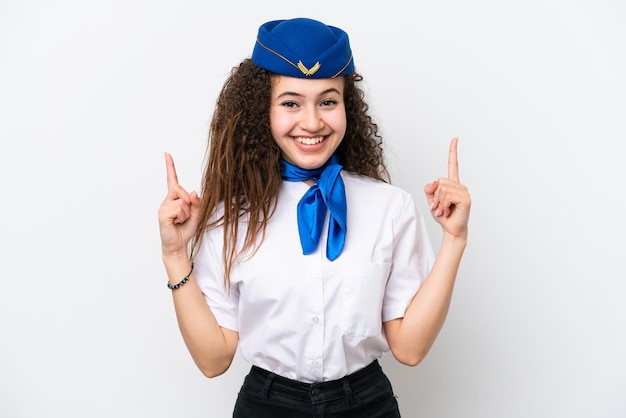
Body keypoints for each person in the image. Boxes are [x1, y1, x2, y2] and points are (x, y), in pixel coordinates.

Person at [158, 17, 471, 417]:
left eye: (328, 101)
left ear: (347, 107)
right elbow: (213, 360)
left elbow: (409, 349)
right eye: (291, 103)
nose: (312, 122)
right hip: (267, 405)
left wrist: (454, 241)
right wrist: (174, 256)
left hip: (366, 404)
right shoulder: (228, 218)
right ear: (262, 111)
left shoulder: (390, 207)